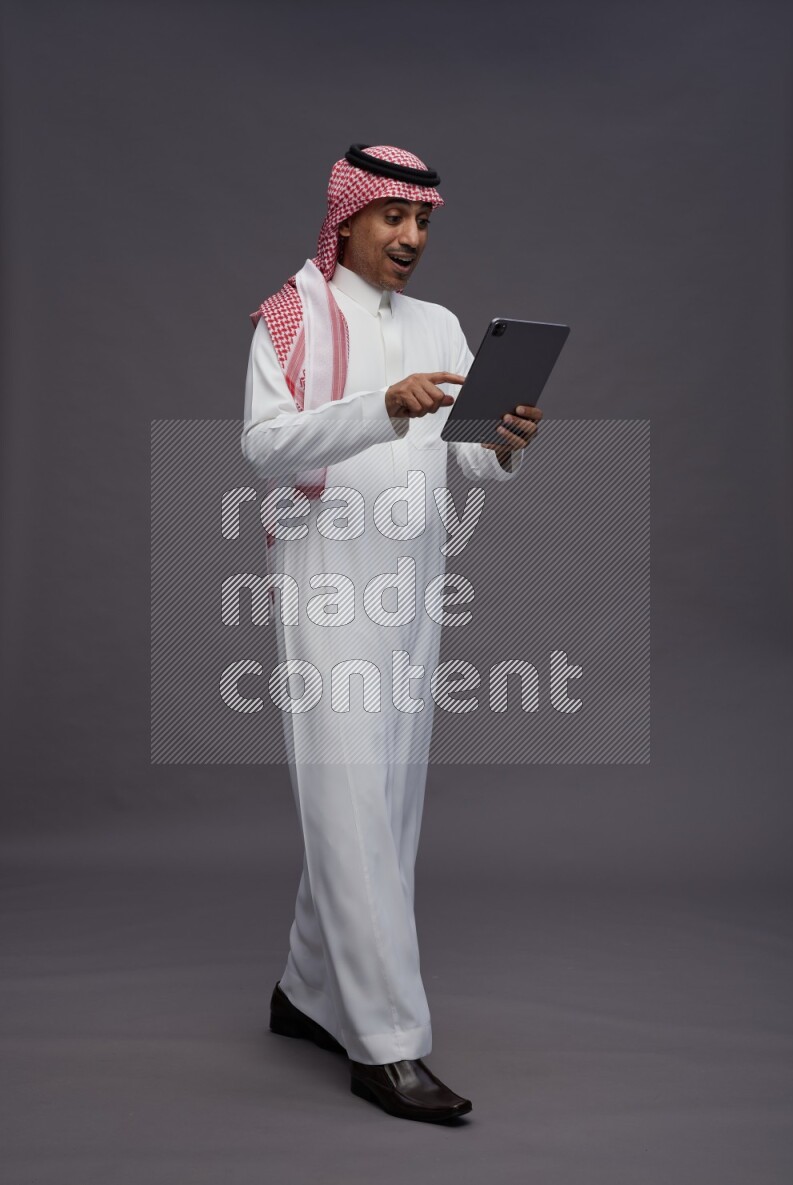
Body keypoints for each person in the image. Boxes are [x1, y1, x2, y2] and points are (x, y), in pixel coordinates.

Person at [241, 143, 541, 1123]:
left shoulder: (440, 324)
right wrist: (380, 405)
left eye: (423, 222)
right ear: (346, 220)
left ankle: (303, 990)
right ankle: (386, 1044)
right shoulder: (290, 315)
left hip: (414, 585)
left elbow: (471, 467)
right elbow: (265, 446)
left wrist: (502, 439)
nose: (411, 238)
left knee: (385, 802)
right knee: (355, 807)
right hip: (328, 582)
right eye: (393, 219)